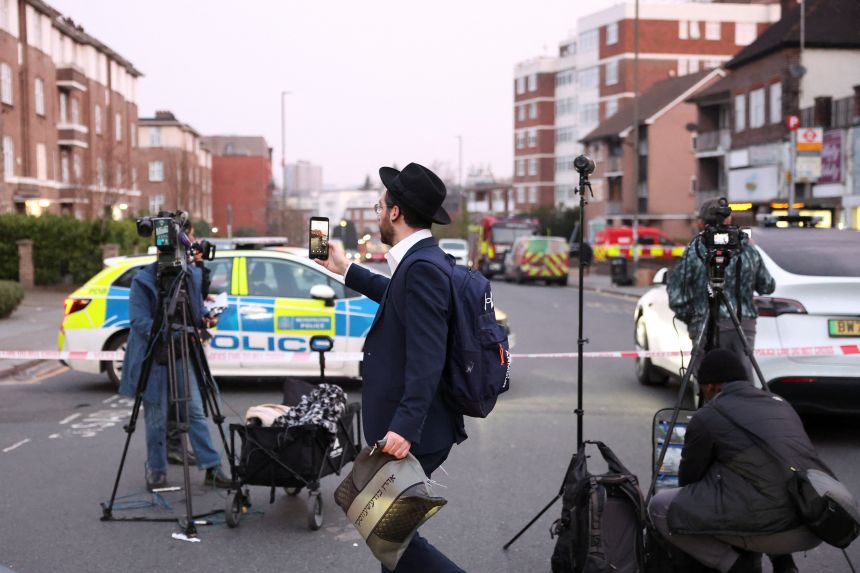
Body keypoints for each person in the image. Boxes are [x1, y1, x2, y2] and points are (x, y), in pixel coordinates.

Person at [315, 162, 466, 573]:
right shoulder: (420, 261)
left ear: (396, 212)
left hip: (414, 431)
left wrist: (404, 427)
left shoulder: (422, 269)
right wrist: (345, 269)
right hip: (414, 426)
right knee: (391, 540)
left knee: (393, 538)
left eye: (380, 206)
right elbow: (397, 298)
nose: (377, 212)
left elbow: (427, 355)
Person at [648, 349, 824, 573]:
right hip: (813, 522)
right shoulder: (780, 404)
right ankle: (783, 563)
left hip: (770, 529)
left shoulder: (709, 416)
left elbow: (689, 480)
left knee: (660, 508)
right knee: (770, 479)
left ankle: (736, 565)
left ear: (711, 387)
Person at [119, 244, 231, 491]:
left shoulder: (187, 276)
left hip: (182, 353)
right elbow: (139, 322)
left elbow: (196, 310)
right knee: (157, 416)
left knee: (195, 411)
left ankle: (211, 467)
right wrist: (170, 335)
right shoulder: (143, 280)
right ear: (159, 253)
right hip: (155, 354)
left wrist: (205, 317)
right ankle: (157, 470)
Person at [667, 199, 775, 380]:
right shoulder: (747, 249)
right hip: (742, 326)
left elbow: (677, 297)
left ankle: (709, 407)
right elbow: (767, 286)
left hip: (704, 325)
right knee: (742, 382)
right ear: (729, 220)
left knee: (709, 384)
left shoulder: (695, 250)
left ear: (702, 223)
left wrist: (693, 319)